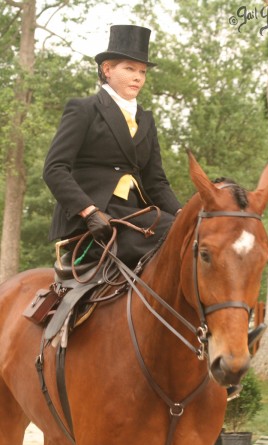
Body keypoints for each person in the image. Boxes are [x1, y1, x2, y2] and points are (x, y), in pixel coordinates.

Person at [43, 25, 182, 268]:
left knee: (187, 233)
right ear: (107, 69)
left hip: (137, 213)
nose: (138, 77)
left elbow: (156, 181)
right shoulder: (84, 109)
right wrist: (89, 211)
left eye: (142, 71)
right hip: (97, 215)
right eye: (129, 69)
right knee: (168, 235)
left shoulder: (146, 120)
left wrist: (184, 216)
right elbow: (54, 169)